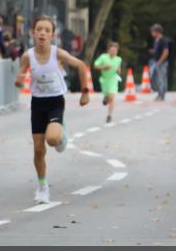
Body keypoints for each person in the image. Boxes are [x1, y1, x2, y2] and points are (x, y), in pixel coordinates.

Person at [13, 16, 90, 205]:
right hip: (38, 103)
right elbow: (21, 74)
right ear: (33, 33)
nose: (42, 33)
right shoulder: (27, 56)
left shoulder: (58, 54)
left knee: (53, 139)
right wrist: (19, 80)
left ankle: (60, 130)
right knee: (38, 150)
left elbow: (80, 65)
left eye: (47, 30)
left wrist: (85, 92)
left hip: (55, 101)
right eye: (39, 29)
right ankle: (42, 187)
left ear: (52, 35)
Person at [93, 40, 122, 123]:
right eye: (112, 50)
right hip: (104, 80)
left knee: (112, 97)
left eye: (115, 51)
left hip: (113, 79)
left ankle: (109, 115)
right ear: (108, 50)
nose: (113, 52)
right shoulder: (103, 57)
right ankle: (105, 99)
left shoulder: (118, 59)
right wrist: (103, 67)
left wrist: (118, 71)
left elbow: (119, 69)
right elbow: (95, 66)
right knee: (108, 97)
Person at [150, 24, 170, 101]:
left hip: (162, 63)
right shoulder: (156, 40)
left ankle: (162, 95)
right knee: (156, 79)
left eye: (153, 32)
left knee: (162, 79)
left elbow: (166, 52)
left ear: (157, 32)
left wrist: (159, 62)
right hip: (156, 61)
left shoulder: (163, 40)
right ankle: (159, 93)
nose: (152, 33)